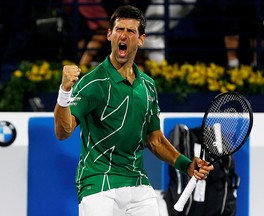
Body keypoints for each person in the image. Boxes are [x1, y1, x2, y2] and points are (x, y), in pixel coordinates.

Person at [54, 5, 214, 216]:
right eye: (119, 29)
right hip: (98, 184)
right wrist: (64, 91)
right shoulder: (93, 83)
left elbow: (154, 140)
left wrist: (186, 165)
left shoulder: (148, 85)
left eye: (131, 31)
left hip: (138, 183)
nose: (124, 35)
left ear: (141, 39)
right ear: (109, 35)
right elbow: (62, 132)